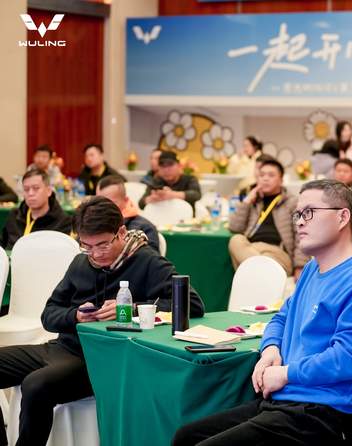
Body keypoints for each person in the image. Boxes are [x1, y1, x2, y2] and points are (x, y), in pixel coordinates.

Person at [172, 180, 352, 446]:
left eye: (309, 212)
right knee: (186, 436)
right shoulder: (313, 269)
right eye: (298, 214)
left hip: (325, 413)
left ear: (342, 217)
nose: (299, 222)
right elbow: (281, 318)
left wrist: (285, 373)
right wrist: (270, 349)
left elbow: (347, 359)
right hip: (286, 400)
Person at [0, 196, 204, 446]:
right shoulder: (80, 262)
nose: (96, 254)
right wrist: (75, 315)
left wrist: (130, 309)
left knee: (35, 385)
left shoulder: (147, 261)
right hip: (64, 348)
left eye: (103, 245)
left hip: (104, 361)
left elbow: (193, 305)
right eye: (86, 246)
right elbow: (49, 315)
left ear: (121, 233)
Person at [228, 159, 306, 278]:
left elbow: (301, 234)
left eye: (271, 175)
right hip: (251, 247)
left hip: (278, 252)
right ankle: (265, 275)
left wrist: (300, 266)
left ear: (281, 180)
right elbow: (234, 227)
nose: (265, 178)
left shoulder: (293, 202)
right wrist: (247, 201)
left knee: (246, 270)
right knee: (236, 240)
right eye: (262, 175)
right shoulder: (254, 201)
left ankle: (261, 273)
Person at [0, 169, 71, 250]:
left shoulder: (62, 222)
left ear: (48, 191)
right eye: (26, 189)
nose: (30, 193)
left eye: (36, 188)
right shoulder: (14, 216)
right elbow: (2, 245)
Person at [96, 175, 160, 252]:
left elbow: (150, 258)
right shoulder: (91, 225)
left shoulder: (145, 228)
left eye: (111, 203)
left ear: (125, 200)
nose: (103, 208)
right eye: (98, 202)